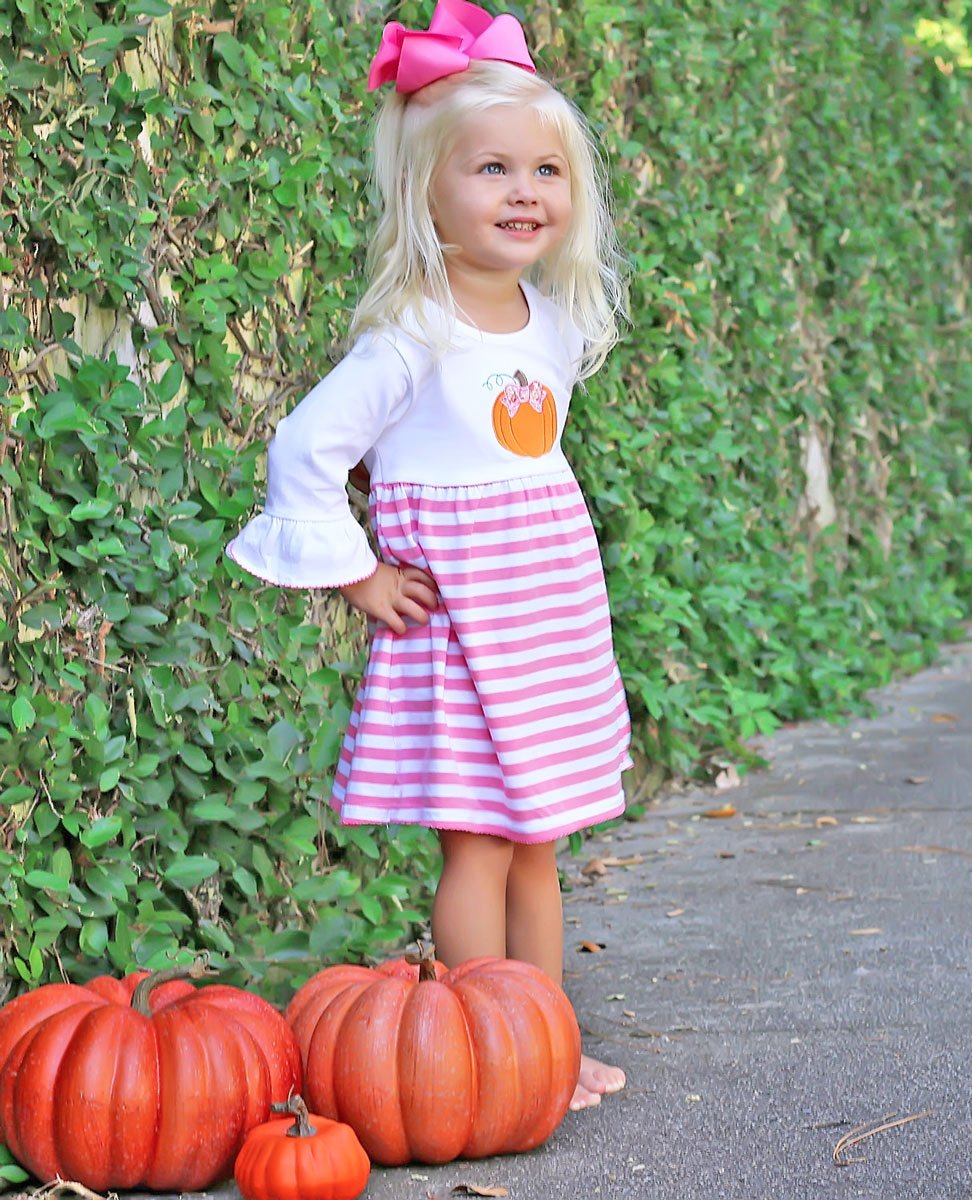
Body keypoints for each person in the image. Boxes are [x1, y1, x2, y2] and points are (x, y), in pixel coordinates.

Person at [226, 0, 631, 1112]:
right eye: (491, 168)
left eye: (545, 170)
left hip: (543, 621)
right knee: (482, 848)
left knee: (541, 843)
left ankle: (545, 1047)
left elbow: (501, 461)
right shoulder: (413, 331)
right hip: (461, 635)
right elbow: (309, 447)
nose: (524, 191)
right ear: (426, 188)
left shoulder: (550, 320)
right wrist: (361, 572)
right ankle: (485, 1056)